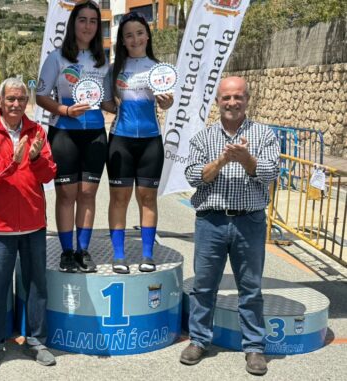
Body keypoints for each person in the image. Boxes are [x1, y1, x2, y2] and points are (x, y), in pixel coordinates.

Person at [181, 76, 279, 376]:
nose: (232, 103)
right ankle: (199, 340)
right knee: (204, 286)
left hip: (249, 221)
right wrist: (222, 161)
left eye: (238, 97)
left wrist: (247, 159)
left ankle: (254, 348)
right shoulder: (203, 137)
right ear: (217, 101)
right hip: (211, 221)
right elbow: (193, 176)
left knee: (250, 288)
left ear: (247, 99)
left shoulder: (264, 135)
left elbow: (272, 171)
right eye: (226, 98)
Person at [0, 78, 57, 372]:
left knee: (36, 286)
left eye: (21, 99)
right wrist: (12, 160)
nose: (16, 104)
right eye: (11, 99)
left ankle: (36, 340)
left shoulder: (37, 132)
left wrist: (33, 159)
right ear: (0, 101)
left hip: (33, 224)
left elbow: (48, 174)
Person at [35, 0, 109, 273]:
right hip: (64, 132)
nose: (88, 25)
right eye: (82, 20)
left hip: (95, 134)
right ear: (73, 24)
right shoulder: (57, 57)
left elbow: (109, 100)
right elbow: (40, 96)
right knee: (66, 194)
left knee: (88, 194)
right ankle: (67, 252)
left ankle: (83, 250)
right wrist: (64, 109)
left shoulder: (103, 61)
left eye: (93, 21)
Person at [100, 12, 173, 274]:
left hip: (151, 141)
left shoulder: (159, 68)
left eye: (139, 33)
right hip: (121, 139)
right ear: (122, 41)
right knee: (119, 199)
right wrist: (98, 99)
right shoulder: (113, 70)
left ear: (148, 35)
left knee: (148, 199)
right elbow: (107, 102)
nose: (135, 39)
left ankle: (147, 255)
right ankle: (119, 255)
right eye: (128, 35)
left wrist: (167, 102)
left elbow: (167, 100)